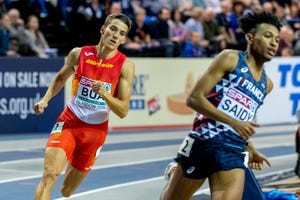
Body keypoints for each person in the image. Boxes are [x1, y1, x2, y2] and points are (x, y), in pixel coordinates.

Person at [160, 11, 282, 200]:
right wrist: (233, 122)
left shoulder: (267, 85)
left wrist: (249, 148)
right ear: (250, 37)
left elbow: (242, 121)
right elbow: (194, 99)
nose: (274, 43)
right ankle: (175, 172)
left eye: (276, 39)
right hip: (203, 142)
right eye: (267, 36)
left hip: (233, 151)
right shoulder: (230, 59)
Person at [33, 13, 134, 200]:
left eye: (121, 33)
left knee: (66, 191)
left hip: (95, 133)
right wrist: (45, 99)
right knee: (49, 174)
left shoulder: (125, 65)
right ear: (103, 29)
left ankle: (73, 157)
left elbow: (123, 111)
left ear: (123, 39)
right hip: (69, 122)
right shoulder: (79, 54)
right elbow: (61, 78)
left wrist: (104, 94)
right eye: (112, 29)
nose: (115, 35)